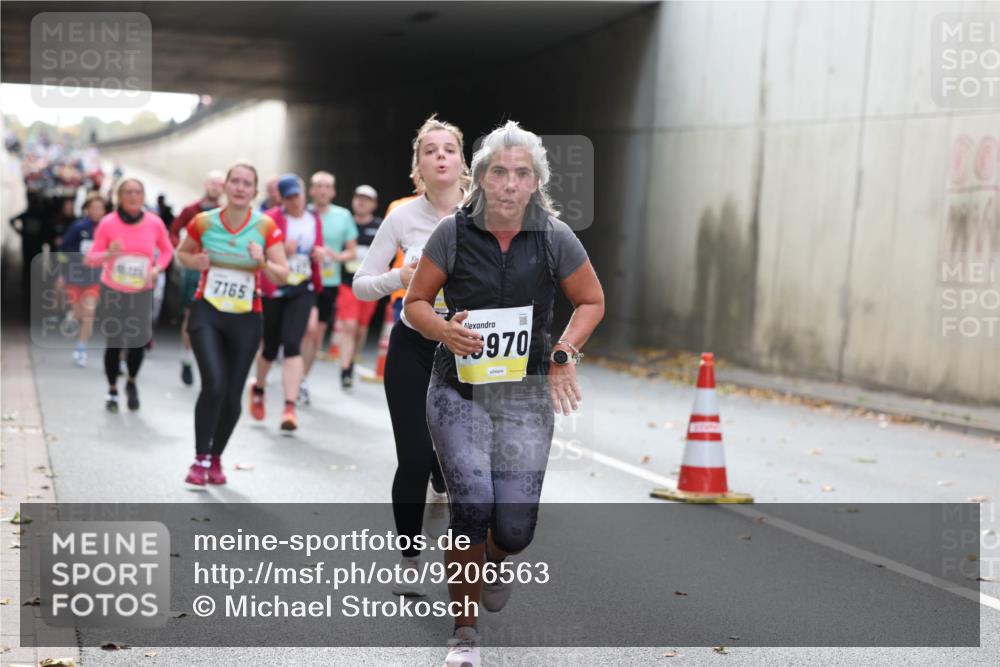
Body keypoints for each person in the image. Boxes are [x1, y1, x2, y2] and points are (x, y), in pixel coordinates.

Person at [404, 121, 604, 666]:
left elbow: (590, 300)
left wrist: (563, 354)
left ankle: (497, 557)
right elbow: (414, 303)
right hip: (457, 390)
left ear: (536, 181)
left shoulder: (555, 237)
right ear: (482, 178)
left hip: (525, 396)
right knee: (470, 506)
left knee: (514, 527)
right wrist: (443, 328)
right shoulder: (453, 232)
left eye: (522, 174)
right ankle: (463, 633)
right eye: (500, 172)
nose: (510, 184)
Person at [352, 115, 468, 596]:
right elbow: (361, 285)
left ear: (464, 163)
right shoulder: (402, 217)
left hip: (467, 352)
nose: (440, 156)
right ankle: (409, 555)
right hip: (413, 347)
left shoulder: (484, 212)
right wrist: (399, 280)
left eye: (449, 149)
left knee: (461, 461)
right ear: (418, 165)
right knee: (415, 456)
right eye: (430, 150)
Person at [175, 163, 288, 485]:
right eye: (234, 181)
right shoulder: (203, 221)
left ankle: (215, 458)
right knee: (213, 384)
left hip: (246, 319)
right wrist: (194, 261)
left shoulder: (266, 226)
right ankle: (198, 458)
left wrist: (261, 260)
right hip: (207, 311)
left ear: (254, 191)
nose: (240, 187)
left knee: (232, 395)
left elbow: (282, 273)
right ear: (225, 186)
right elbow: (180, 253)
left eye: (246, 183)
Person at [85, 178, 174, 412]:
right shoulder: (108, 223)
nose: (133, 196)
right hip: (113, 290)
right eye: (128, 192)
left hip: (141, 291)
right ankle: (112, 389)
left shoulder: (154, 223)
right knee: (114, 342)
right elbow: (90, 258)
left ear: (143, 197)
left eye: (137, 192)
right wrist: (107, 253)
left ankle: (132, 381)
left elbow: (167, 251)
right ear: (119, 197)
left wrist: (157, 268)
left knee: (138, 343)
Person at [250, 173, 324, 431]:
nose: (295, 201)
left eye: (298, 195)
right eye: (289, 197)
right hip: (275, 288)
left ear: (304, 194)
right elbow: (257, 249)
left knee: (292, 343)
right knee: (270, 346)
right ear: (282, 198)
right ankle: (258, 388)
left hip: (302, 287)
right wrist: (281, 249)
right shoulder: (270, 219)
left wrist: (320, 254)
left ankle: (289, 408)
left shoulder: (313, 219)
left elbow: (319, 248)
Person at [298, 171, 358, 405]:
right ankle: (296, 372)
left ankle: (302, 378)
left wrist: (333, 255)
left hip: (329, 282)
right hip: (303, 280)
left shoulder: (343, 216)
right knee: (309, 329)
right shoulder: (302, 214)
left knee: (316, 334)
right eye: (318, 186)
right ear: (311, 191)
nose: (322, 190)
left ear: (333, 192)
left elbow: (352, 252)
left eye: (327, 186)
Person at [169, 170, 226, 386]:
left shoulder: (226, 213)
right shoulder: (191, 211)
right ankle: (187, 357)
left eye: (219, 184)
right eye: (213, 183)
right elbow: (173, 232)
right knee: (191, 315)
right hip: (194, 270)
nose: (215, 187)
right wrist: (184, 252)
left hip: (219, 269)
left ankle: (211, 359)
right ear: (205, 184)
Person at [336, 184, 383, 388]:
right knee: (349, 326)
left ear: (374, 204)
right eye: (358, 197)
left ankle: (351, 361)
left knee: (361, 330)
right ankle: (345, 369)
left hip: (369, 285)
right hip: (347, 283)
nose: (361, 201)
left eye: (366, 198)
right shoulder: (345, 224)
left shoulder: (380, 226)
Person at [57, 194, 107, 366]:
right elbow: (63, 249)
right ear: (87, 209)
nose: (97, 211)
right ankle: (72, 316)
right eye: (94, 208)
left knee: (89, 313)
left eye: (101, 208)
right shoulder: (78, 227)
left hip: (94, 278)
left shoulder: (107, 228)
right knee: (78, 313)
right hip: (75, 276)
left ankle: (81, 349)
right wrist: (63, 273)